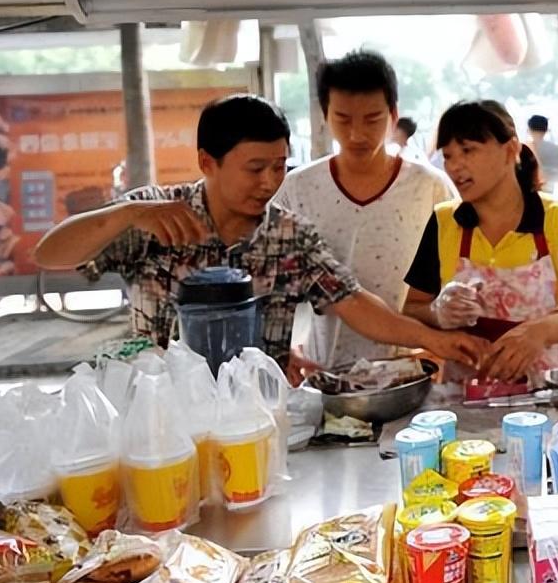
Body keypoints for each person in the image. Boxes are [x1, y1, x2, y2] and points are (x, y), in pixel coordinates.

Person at [32, 94, 487, 374]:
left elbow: (356, 304)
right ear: (207, 162)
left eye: (278, 167)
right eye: (255, 169)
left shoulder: (289, 237)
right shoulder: (153, 218)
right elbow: (49, 254)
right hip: (161, 422)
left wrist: (436, 340)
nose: (270, 182)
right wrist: (126, 214)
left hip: (254, 419)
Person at [402, 100, 558, 384]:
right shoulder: (445, 222)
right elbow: (411, 308)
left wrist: (541, 331)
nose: (455, 166)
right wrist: (437, 312)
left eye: (468, 150)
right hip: (469, 402)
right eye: (448, 155)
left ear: (510, 149)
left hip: (552, 397)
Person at [275, 51, 455, 370]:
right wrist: (278, 348)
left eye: (372, 120)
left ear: (394, 115)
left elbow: (459, 276)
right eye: (343, 119)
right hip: (326, 372)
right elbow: (271, 283)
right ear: (325, 115)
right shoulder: (297, 188)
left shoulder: (430, 188)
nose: (357, 134)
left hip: (415, 369)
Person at [526, 114, 558, 184]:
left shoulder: (525, 149)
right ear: (546, 130)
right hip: (555, 187)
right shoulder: (556, 149)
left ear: (529, 130)